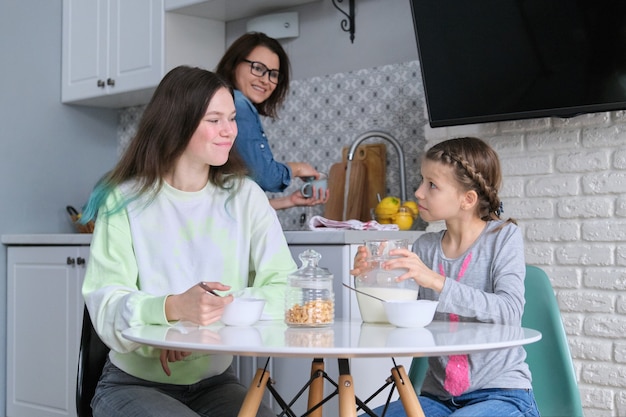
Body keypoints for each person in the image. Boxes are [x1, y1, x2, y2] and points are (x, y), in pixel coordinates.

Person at [80, 66, 296, 417]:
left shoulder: (246, 197)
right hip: (132, 384)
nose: (230, 131)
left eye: (231, 118)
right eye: (214, 120)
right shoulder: (123, 200)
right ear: (177, 123)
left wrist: (196, 325)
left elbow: (286, 287)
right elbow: (106, 303)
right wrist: (172, 309)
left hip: (216, 383)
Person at [351, 137, 540, 417]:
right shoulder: (425, 246)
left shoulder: (502, 238)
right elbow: (394, 318)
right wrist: (371, 277)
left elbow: (509, 311)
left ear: (467, 199)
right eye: (422, 181)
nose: (418, 192)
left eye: (432, 185)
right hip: (437, 398)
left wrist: (436, 281)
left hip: (502, 394)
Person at [215, 32, 329, 210]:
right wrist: (297, 168)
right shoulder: (239, 106)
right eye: (258, 68)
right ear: (234, 64)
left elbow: (231, 200)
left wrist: (288, 201)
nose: (265, 80)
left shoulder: (228, 104)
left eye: (273, 74)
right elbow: (264, 176)